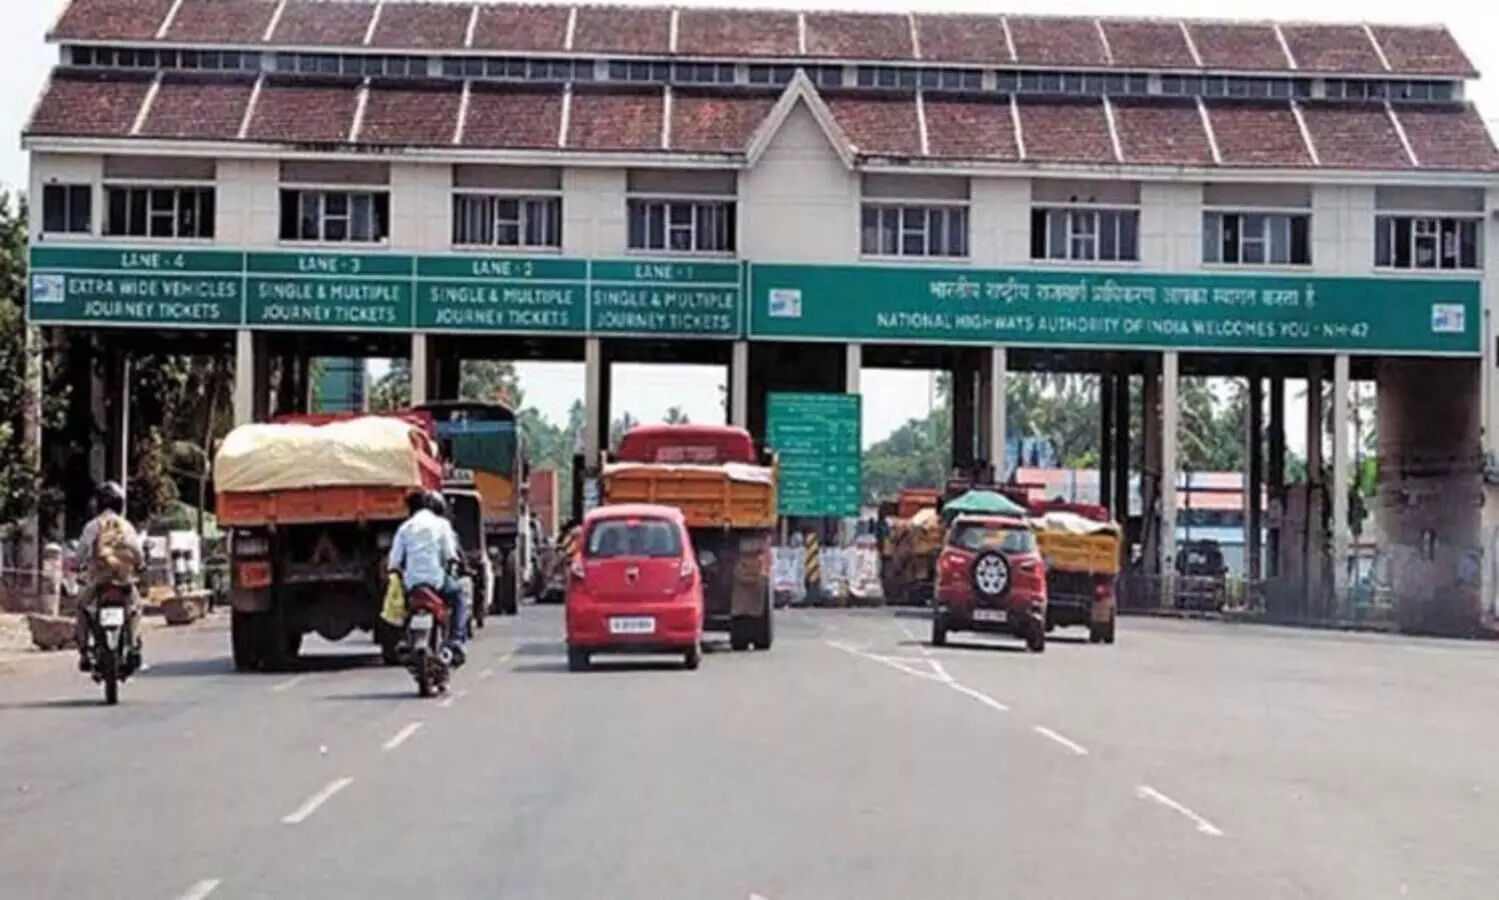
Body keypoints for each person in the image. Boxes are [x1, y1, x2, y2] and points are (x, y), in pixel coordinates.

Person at [74, 481, 146, 673]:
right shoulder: (126, 526)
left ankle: (84, 652)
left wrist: (77, 567)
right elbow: (137, 552)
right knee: (135, 607)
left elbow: (80, 554)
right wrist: (140, 566)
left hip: (98, 581)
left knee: (81, 607)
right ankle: (133, 646)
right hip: (124, 581)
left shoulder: (92, 526)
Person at [387, 489, 467, 663]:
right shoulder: (441, 525)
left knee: (399, 605)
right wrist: (453, 564)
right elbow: (450, 555)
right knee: (459, 594)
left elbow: (393, 562)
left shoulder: (405, 528)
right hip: (436, 581)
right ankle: (456, 640)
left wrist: (399, 574)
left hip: (412, 583)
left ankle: (402, 638)